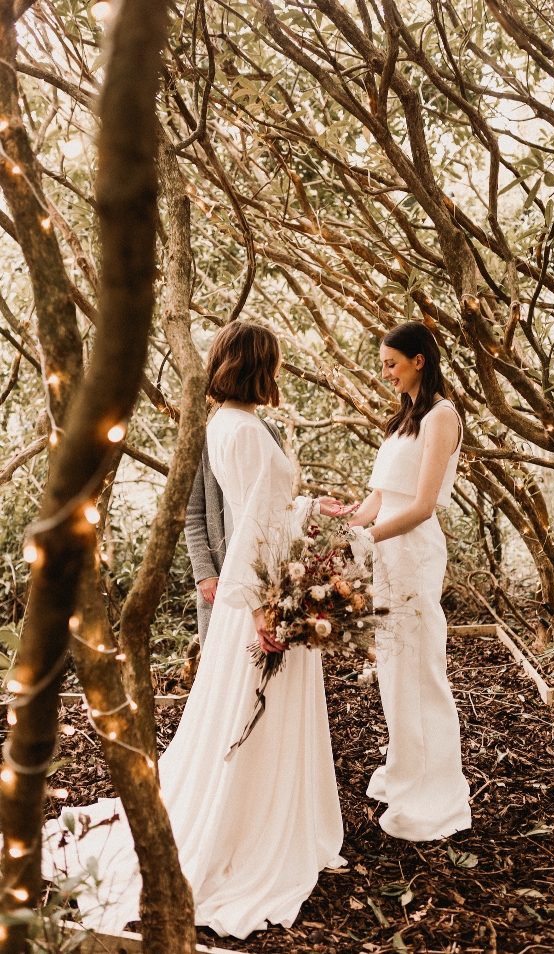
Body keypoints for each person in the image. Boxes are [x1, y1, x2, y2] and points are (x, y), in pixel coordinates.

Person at [43, 322, 347, 939]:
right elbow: (256, 525)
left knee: (240, 711)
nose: (279, 373)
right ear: (259, 364)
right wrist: (267, 603)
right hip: (262, 588)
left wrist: (314, 513)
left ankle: (263, 815)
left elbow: (262, 514)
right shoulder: (245, 430)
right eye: (275, 363)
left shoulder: (227, 425)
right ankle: (254, 828)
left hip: (258, 582)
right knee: (251, 714)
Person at [346, 321, 472, 842]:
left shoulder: (442, 417)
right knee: (395, 668)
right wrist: (339, 526)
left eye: (391, 363)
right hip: (385, 551)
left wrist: (367, 538)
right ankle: (405, 768)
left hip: (413, 553)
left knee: (421, 667)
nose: (385, 372)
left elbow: (420, 507)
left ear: (419, 360)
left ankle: (434, 788)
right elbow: (380, 496)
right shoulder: (403, 420)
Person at [184, 410, 283, 650]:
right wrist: (205, 572)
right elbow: (192, 512)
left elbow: (278, 499)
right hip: (222, 572)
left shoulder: (270, 432)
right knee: (223, 656)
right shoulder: (204, 438)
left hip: (266, 568)